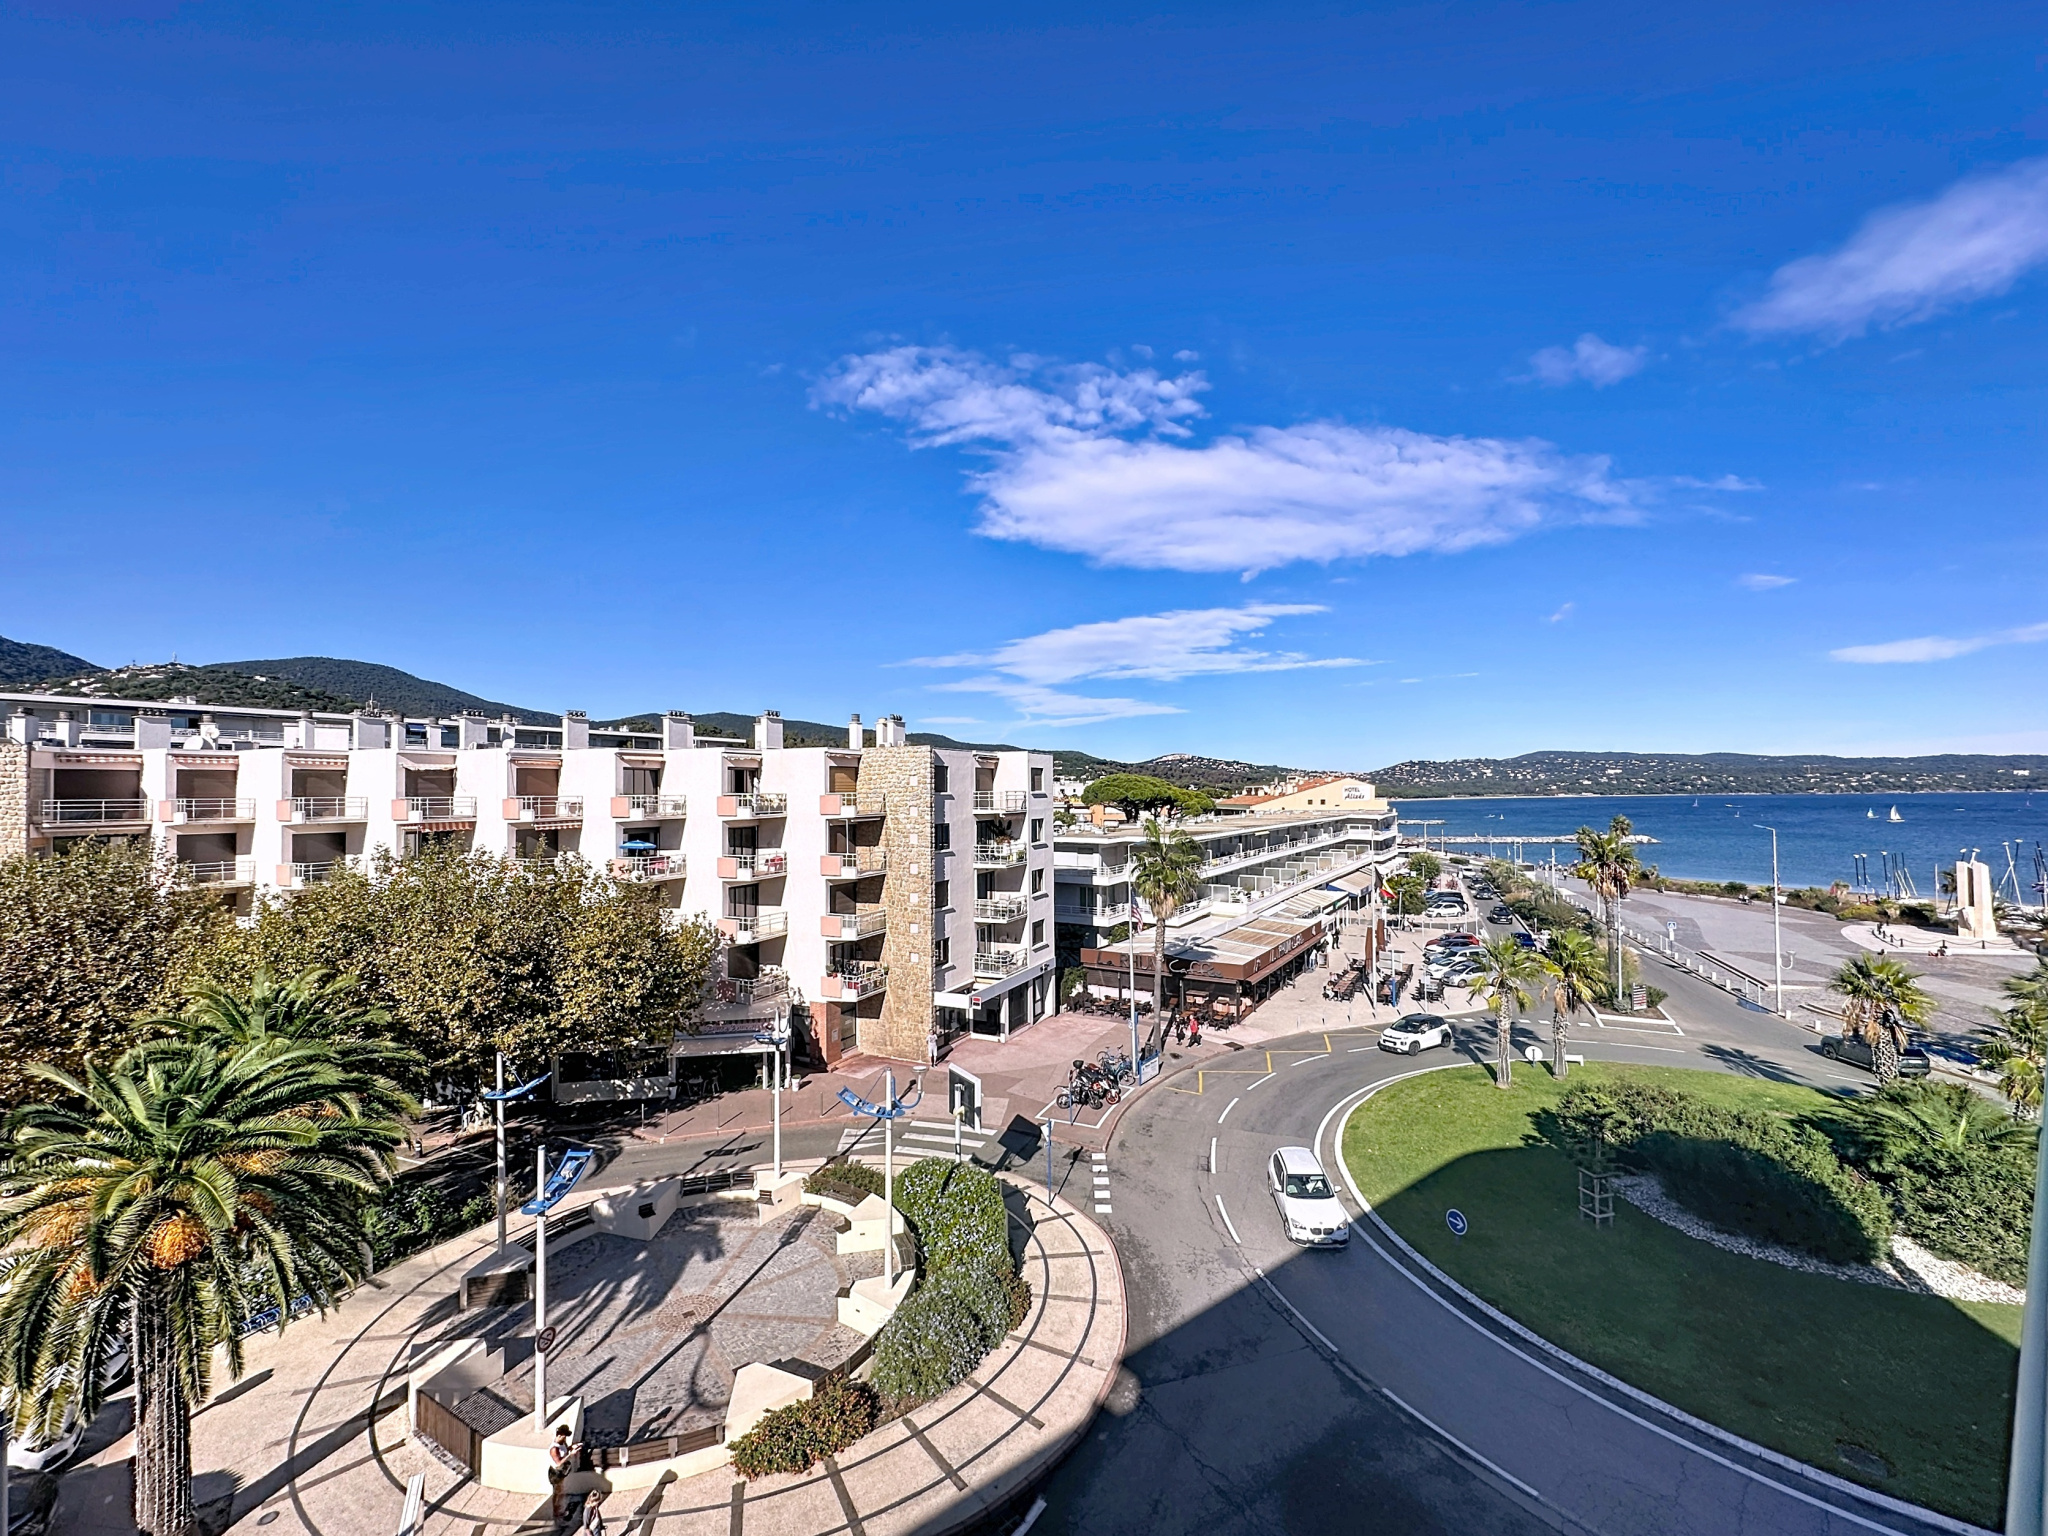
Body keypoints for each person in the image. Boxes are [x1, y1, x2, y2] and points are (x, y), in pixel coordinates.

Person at [549, 1424, 577, 1520]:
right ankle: (556, 1512)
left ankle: (560, 1509)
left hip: (562, 1470)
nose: (565, 1438)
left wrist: (572, 1447)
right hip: (556, 1472)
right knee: (557, 1492)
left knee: (561, 1491)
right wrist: (571, 1455)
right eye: (564, 1436)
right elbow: (558, 1463)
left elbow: (565, 1450)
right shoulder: (554, 1449)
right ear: (559, 1435)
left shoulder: (562, 1443)